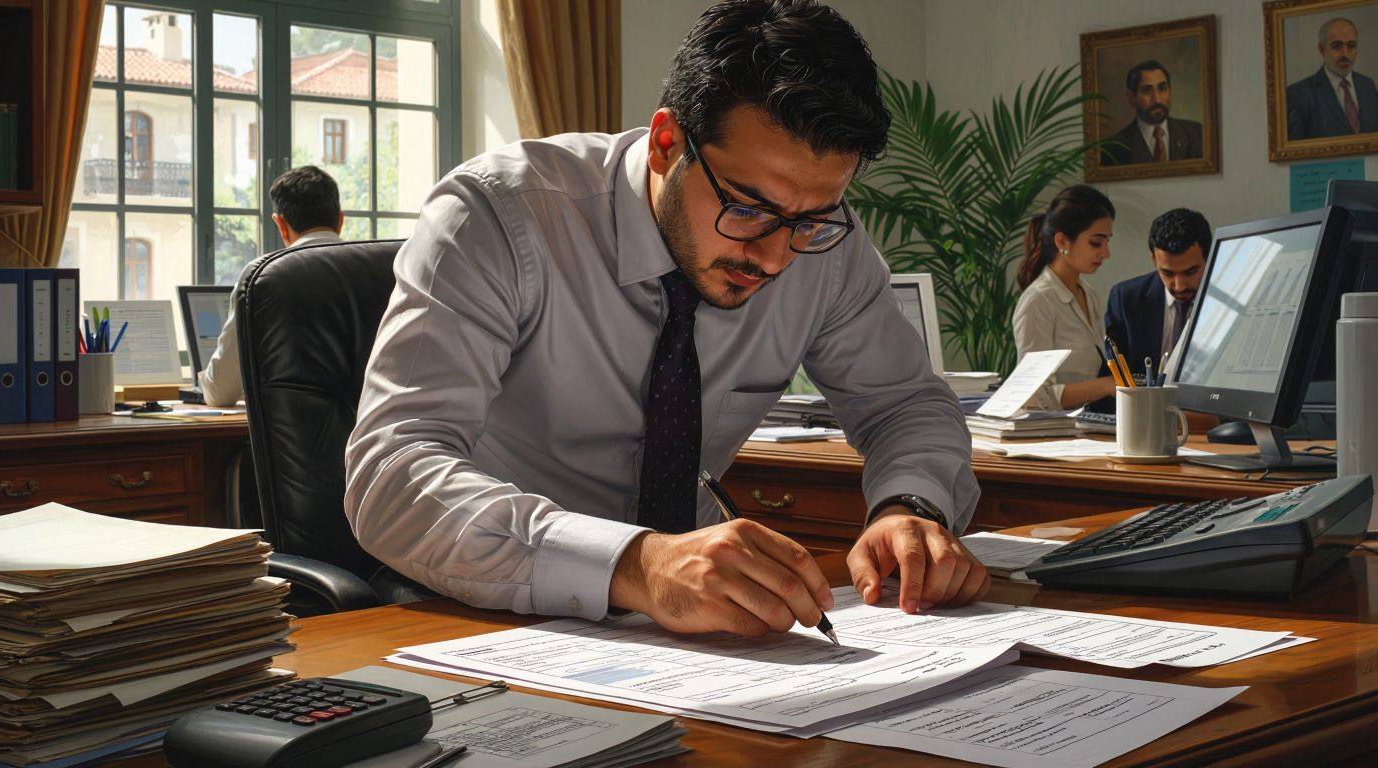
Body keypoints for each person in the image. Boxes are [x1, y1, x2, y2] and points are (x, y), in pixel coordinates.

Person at [344, 0, 987, 639]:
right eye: (747, 208)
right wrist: (635, 563)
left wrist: (909, 505)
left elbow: (906, 405)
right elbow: (391, 474)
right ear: (664, 143)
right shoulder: (498, 216)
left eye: (812, 219)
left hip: (692, 628)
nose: (774, 257)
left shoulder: (827, 249)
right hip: (483, 609)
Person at [197, 166, 344, 406]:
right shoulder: (382, 267)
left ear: (280, 224)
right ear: (340, 220)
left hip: (296, 428)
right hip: (378, 428)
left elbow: (220, 392)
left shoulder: (263, 276)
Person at [1011, 185, 1117, 409]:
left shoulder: (1088, 293)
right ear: (1062, 242)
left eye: (1107, 241)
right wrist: (1106, 385)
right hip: (1049, 428)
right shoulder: (1038, 301)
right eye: (1096, 242)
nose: (1106, 253)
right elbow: (1033, 396)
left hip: (1082, 422)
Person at [1105, 208, 1212, 384]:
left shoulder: (1232, 297)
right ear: (1154, 260)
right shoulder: (1126, 299)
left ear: (1208, 259)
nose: (1179, 286)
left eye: (1190, 272)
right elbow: (1114, 377)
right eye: (1168, 273)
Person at [1287, 17, 1378, 140]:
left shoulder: (1368, 85)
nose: (1345, 53)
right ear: (1322, 49)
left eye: (1351, 45)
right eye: (1337, 46)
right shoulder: (1299, 95)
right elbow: (1294, 149)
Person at [1100, 60, 1205, 166]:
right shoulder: (1112, 149)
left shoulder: (1197, 134)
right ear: (1131, 98)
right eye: (1147, 91)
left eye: (1162, 88)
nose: (1157, 99)